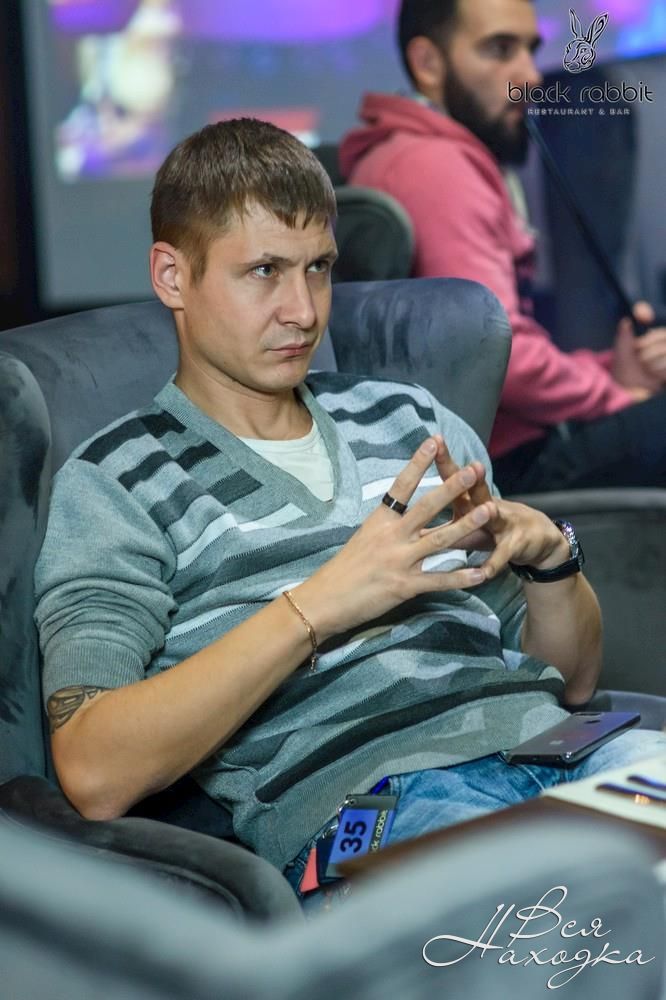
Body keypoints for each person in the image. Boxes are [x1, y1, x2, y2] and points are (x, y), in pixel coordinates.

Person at [35, 119, 664, 910]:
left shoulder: (409, 419)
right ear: (172, 276)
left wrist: (551, 563)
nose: (303, 311)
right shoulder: (119, 480)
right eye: (264, 271)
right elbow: (93, 771)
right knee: (565, 925)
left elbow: (570, 682)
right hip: (379, 807)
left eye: (319, 268)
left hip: (559, 751)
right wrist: (321, 604)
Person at [339, 0, 666, 493]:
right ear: (428, 63)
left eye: (530, 50)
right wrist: (616, 393)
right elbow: (498, 356)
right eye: (499, 50)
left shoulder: (397, 152)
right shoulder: (438, 166)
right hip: (501, 471)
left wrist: (607, 371)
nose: (530, 76)